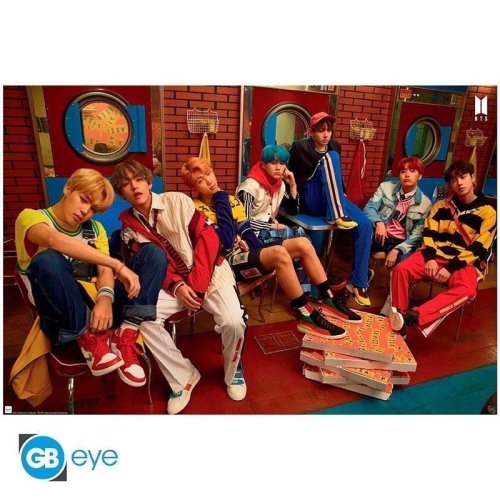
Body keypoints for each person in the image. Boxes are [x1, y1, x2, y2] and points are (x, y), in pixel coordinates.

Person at [111, 159, 247, 414]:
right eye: (127, 184)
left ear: (149, 182)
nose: (135, 187)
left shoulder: (177, 201)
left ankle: (234, 369)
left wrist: (197, 285)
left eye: (139, 180)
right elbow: (152, 267)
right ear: (121, 193)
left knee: (233, 322)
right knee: (145, 320)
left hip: (210, 272)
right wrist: (177, 286)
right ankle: (183, 377)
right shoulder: (129, 229)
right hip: (174, 285)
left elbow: (208, 239)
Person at [181, 154, 361, 336]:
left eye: (209, 174)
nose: (209, 181)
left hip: (244, 254)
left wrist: (262, 256)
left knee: (303, 243)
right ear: (193, 187)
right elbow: (225, 242)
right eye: (200, 180)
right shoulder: (194, 209)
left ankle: (329, 298)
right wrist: (220, 200)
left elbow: (247, 232)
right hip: (225, 263)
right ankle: (305, 312)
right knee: (279, 253)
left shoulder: (232, 200)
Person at [14, 168, 141, 380]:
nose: (85, 211)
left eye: (93, 209)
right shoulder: (31, 217)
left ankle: (122, 336)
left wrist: (105, 299)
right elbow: (53, 240)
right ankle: (89, 338)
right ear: (68, 188)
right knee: (48, 258)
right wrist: (118, 266)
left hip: (95, 309)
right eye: (83, 200)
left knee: (148, 257)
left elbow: (103, 270)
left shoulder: (96, 229)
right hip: (58, 317)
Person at [389, 160, 496, 338]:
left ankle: (414, 317)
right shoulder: (441, 206)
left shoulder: (489, 212)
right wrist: (431, 258)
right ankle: (399, 320)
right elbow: (428, 234)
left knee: (467, 290)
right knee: (401, 269)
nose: (459, 183)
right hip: (434, 255)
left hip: (464, 262)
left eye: (463, 177)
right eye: (454, 180)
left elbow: (479, 248)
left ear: (473, 178)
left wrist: (450, 268)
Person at [288, 112, 374, 306]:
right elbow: (295, 178)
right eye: (321, 131)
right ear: (311, 132)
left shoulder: (335, 146)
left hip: (333, 199)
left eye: (328, 130)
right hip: (311, 197)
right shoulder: (301, 147)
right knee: (330, 157)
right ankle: (337, 214)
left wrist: (342, 195)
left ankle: (359, 282)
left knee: (366, 225)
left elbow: (335, 178)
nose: (326, 135)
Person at [363, 156, 432, 269]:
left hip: (402, 242)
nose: (407, 175)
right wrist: (378, 223)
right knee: (361, 241)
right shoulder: (385, 187)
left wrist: (397, 250)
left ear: (420, 176)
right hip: (381, 235)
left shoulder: (425, 203)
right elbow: (369, 208)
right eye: (403, 171)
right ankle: (363, 276)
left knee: (402, 268)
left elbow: (417, 235)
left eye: (412, 171)